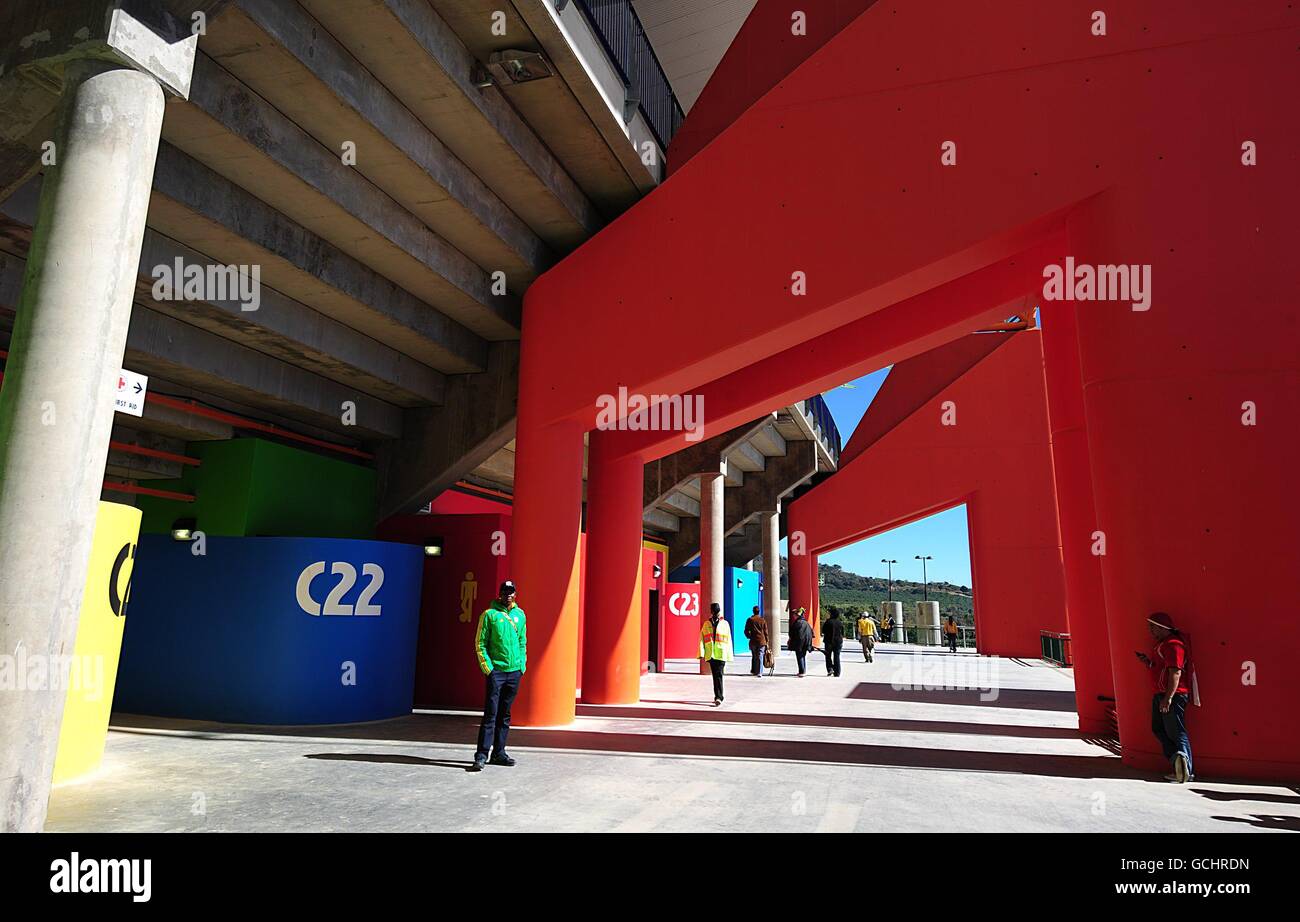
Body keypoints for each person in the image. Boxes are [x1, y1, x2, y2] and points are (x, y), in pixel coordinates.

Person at [470, 579, 527, 772]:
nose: (507, 595)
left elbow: (522, 642)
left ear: (515, 594)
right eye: (504, 591)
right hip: (497, 672)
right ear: (499, 594)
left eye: (510, 592)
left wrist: (522, 666)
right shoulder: (489, 615)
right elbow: (480, 643)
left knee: (505, 715)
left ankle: (499, 752)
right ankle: (481, 755)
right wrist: (489, 669)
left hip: (514, 672)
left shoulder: (520, 615)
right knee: (491, 714)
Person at [1135, 611, 1195, 783]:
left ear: (1162, 627)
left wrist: (1168, 697)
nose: (1150, 630)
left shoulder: (1173, 645)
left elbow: (1175, 672)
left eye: (1152, 626)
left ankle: (1185, 768)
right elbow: (1162, 669)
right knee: (1159, 728)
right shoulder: (1162, 645)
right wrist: (1148, 662)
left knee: (1177, 732)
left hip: (1173, 696)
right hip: (1161, 694)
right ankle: (1178, 760)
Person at [700, 602, 733, 705]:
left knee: (718, 675)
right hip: (711, 655)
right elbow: (702, 639)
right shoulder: (706, 624)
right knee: (716, 675)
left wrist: (729, 655)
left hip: (721, 653)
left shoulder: (725, 624)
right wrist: (701, 653)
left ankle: (718, 697)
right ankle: (718, 696)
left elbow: (728, 640)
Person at [743, 605, 769, 678]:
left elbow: (746, 630)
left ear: (753, 611)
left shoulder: (750, 620)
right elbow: (766, 632)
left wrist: (749, 636)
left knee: (754, 656)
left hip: (753, 641)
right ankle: (760, 672)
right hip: (762, 641)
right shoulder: (762, 620)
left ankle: (754, 670)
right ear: (759, 611)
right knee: (760, 655)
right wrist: (767, 641)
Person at [788, 607, 813, 677]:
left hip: (799, 643)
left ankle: (801, 671)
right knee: (803, 656)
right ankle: (803, 670)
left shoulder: (797, 623)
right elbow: (812, 633)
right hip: (806, 642)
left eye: (794, 614)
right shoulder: (806, 623)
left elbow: (791, 633)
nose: (794, 616)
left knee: (799, 656)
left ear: (797, 615)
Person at [820, 606, 844, 677]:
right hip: (838, 642)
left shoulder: (828, 622)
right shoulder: (840, 623)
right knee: (837, 657)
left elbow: (823, 631)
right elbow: (842, 633)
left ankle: (830, 669)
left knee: (828, 656)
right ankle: (837, 672)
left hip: (828, 641)